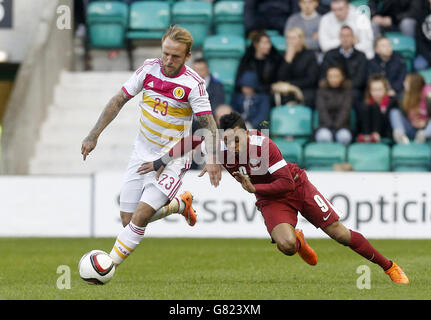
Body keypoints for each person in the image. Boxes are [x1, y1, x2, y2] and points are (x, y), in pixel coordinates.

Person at [138, 112, 410, 285]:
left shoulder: (264, 146)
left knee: (339, 234)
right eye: (228, 141)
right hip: (271, 200)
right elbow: (189, 142)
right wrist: (160, 160)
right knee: (288, 246)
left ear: (247, 132)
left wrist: (255, 190)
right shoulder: (219, 146)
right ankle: (298, 238)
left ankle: (389, 267)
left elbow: (284, 183)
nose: (232, 146)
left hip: (296, 187)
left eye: (237, 140)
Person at [81, 26, 222, 267]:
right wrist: (93, 135)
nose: (168, 60)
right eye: (165, 53)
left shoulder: (194, 84)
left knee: (142, 215)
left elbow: (207, 123)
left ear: (187, 56)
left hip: (173, 159)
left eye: (175, 56)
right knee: (128, 220)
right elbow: (118, 100)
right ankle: (179, 204)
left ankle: (106, 266)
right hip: (141, 152)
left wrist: (213, 158)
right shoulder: (148, 69)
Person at [320, 25, 368, 109]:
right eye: (342, 36)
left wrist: (343, 85)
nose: (345, 39)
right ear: (339, 37)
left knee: (356, 95)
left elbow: (361, 79)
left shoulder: (361, 56)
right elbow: (324, 76)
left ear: (353, 37)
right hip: (332, 88)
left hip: (352, 89)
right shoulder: (330, 55)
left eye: (348, 36)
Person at [274, 27, 319, 108]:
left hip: (305, 89)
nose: (290, 41)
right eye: (288, 38)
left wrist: (291, 85)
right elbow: (280, 78)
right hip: (286, 89)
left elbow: (311, 79)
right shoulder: (284, 55)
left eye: (293, 38)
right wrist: (287, 61)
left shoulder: (310, 55)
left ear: (301, 40)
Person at [234, 30, 284, 95]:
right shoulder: (247, 61)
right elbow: (240, 82)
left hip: (269, 94)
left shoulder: (274, 60)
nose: (268, 46)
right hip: (251, 94)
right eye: (264, 43)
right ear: (256, 44)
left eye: (269, 43)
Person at [315, 65, 353, 146]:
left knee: (344, 137)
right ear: (327, 77)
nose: (333, 79)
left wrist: (336, 126)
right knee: (324, 136)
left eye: (336, 76)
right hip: (325, 126)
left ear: (342, 77)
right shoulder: (321, 91)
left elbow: (345, 110)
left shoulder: (347, 92)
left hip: (342, 126)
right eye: (331, 76)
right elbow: (322, 110)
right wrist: (330, 126)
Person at [357, 74, 400, 143]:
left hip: (385, 134)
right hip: (368, 134)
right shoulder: (365, 104)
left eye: (380, 89)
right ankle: (368, 137)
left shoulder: (392, 102)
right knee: (371, 106)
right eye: (374, 90)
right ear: (369, 91)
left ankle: (375, 135)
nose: (377, 93)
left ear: (385, 89)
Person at [389, 73, 431, 144]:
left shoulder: (427, 93)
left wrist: (425, 122)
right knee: (394, 112)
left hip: (425, 129)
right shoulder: (404, 95)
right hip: (411, 128)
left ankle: (424, 135)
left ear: (414, 84)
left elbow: (427, 88)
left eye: (406, 81)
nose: (404, 83)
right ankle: (400, 135)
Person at [414, 0, 431, 71]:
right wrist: (429, 56)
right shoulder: (421, 15)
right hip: (427, 52)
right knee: (418, 65)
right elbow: (419, 40)